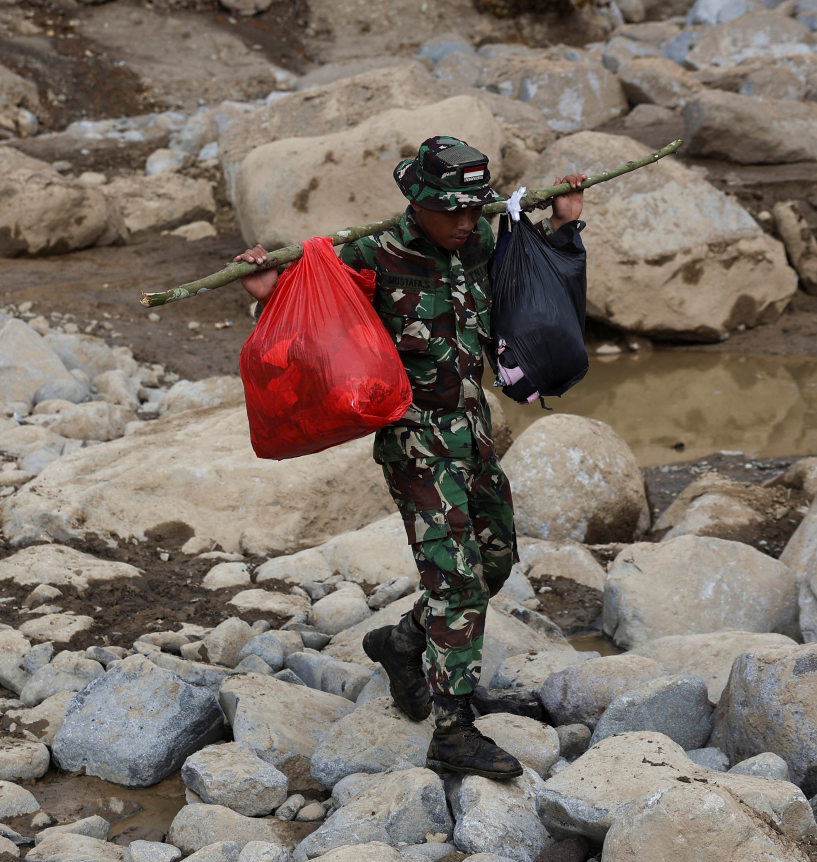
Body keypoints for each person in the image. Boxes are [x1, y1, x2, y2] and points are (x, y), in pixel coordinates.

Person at [236, 136, 586, 780]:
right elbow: (308, 330)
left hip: (472, 428)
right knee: (454, 578)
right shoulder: (371, 255)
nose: (462, 222)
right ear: (416, 202)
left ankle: (400, 645)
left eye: (472, 208)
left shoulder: (482, 239)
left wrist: (562, 228)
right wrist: (267, 294)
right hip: (414, 439)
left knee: (495, 560)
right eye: (449, 210)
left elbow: (532, 277)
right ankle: (453, 728)